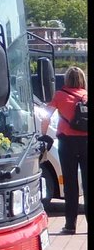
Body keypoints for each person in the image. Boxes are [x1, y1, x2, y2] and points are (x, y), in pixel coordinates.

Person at [48, 66, 88, 234]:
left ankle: (70, 225)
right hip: (86, 141)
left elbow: (46, 116)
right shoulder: (86, 96)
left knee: (70, 184)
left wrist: (45, 135)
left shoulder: (59, 95)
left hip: (67, 142)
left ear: (66, 80)